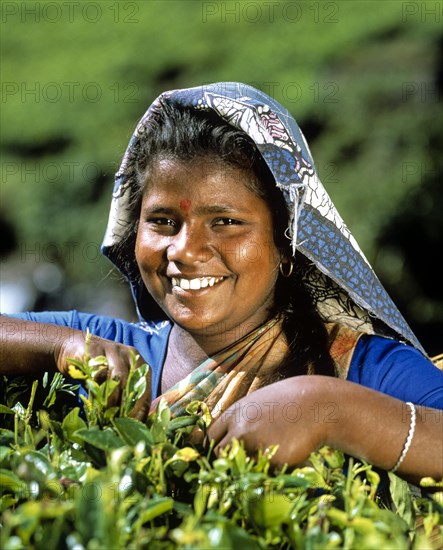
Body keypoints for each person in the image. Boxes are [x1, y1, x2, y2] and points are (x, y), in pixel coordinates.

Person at [1, 83, 442, 486]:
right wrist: (60, 346)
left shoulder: (367, 369)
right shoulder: (108, 357)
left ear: (287, 242)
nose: (185, 250)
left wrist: (328, 409)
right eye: (162, 221)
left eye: (226, 222)